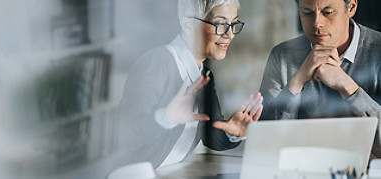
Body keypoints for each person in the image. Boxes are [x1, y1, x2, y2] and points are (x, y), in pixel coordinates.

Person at [117, 0, 263, 169]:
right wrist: (167, 117)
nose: (230, 34)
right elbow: (126, 137)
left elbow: (211, 137)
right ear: (188, 25)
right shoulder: (156, 64)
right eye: (220, 24)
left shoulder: (204, 75)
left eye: (233, 24)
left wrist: (234, 133)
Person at [259, 0, 381, 158]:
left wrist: (348, 87)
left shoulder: (377, 51)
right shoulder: (282, 55)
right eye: (307, 13)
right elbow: (265, 143)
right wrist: (297, 81)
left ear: (351, 7)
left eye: (328, 12)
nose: (317, 23)